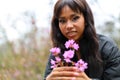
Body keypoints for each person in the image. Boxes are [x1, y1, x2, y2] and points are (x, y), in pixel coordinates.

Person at [44, 0, 120, 80]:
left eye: (75, 18)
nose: (68, 26)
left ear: (86, 20)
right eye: (62, 21)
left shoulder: (107, 48)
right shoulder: (57, 53)